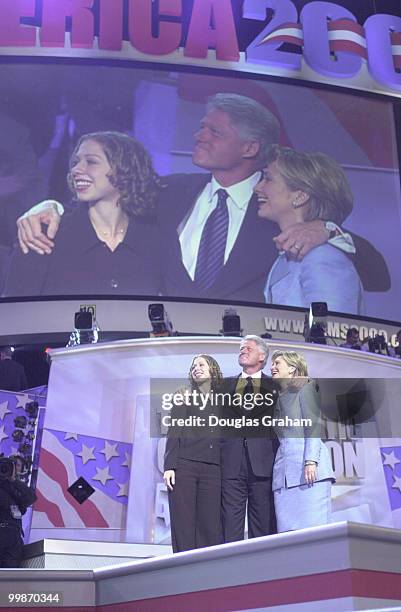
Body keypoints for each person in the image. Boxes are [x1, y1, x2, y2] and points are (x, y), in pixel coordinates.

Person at [15, 94, 390, 301]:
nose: (199, 135)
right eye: (200, 127)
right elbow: (109, 190)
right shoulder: (170, 192)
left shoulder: (281, 208)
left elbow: (377, 275)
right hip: (163, 366)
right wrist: (51, 206)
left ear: (250, 147)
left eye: (214, 131)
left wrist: (327, 229)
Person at [3, 131, 161, 296]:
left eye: (91, 162)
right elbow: (16, 312)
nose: (77, 170)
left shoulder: (153, 239)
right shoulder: (42, 236)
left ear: (124, 171)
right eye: (75, 162)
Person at [255, 146, 364, 314]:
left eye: (268, 179)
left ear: (300, 196)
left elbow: (332, 334)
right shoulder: (290, 256)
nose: (257, 187)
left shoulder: (323, 257)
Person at [220, 335, 278, 542]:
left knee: (263, 527)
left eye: (248, 348)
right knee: (229, 528)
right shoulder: (223, 386)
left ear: (262, 355)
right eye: (241, 348)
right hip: (230, 465)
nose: (242, 351)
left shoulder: (276, 387)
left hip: (264, 465)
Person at [163, 354, 223, 552]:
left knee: (210, 524)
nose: (196, 368)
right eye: (193, 366)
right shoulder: (183, 394)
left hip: (214, 469)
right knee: (183, 521)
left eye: (201, 364)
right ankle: (182, 568)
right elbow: (174, 431)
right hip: (184, 466)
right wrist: (170, 466)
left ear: (212, 369)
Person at [270, 350, 335, 532]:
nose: (272, 367)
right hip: (284, 478)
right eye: (272, 363)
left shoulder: (305, 387)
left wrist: (310, 461)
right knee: (288, 539)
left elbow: (313, 427)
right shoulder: (278, 397)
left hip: (308, 474)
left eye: (277, 363)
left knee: (315, 535)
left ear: (292, 369)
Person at [0, 455, 36, 567]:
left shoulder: (15, 487)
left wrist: (13, 480)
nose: (4, 470)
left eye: (15, 466)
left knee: (10, 574)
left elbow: (30, 498)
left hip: (13, 536)